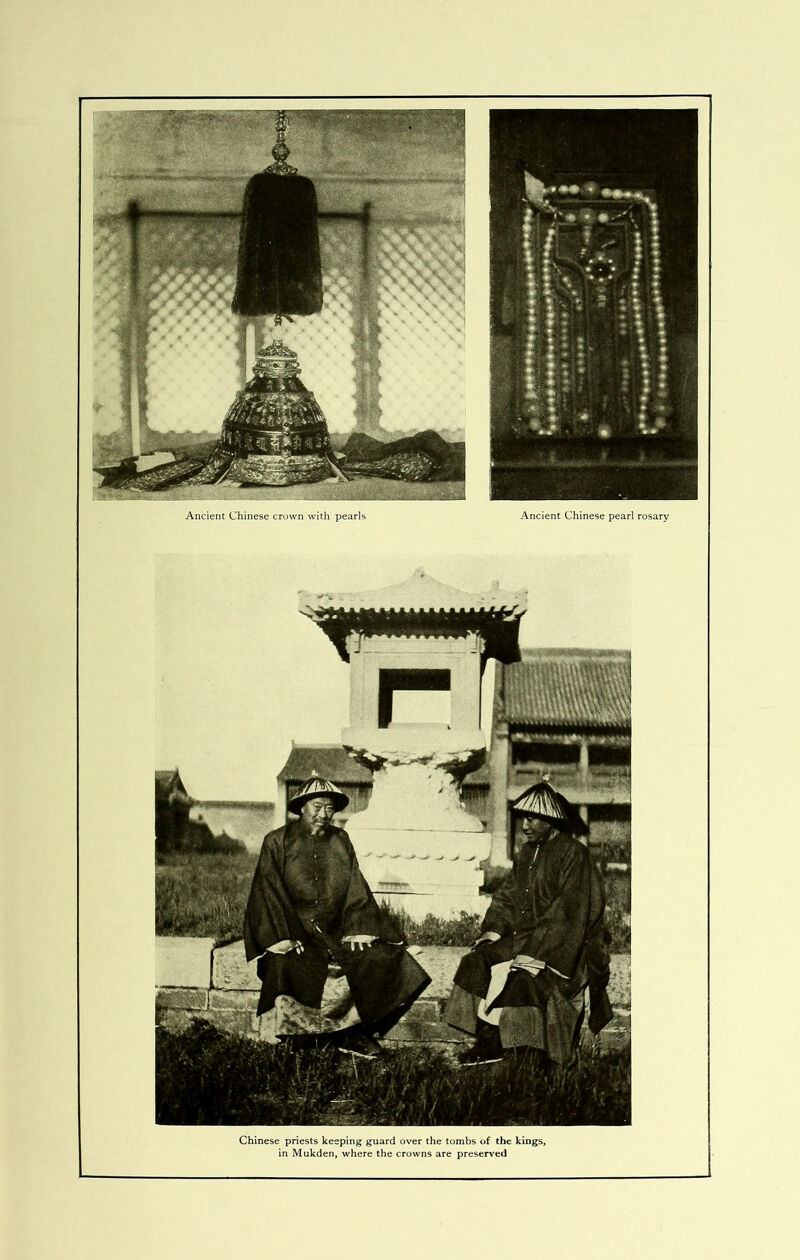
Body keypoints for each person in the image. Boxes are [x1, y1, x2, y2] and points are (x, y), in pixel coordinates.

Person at [244, 774, 431, 1056]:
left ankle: (355, 1032)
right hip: (296, 933)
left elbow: (357, 887)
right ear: (301, 808)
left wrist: (360, 926)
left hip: (337, 932)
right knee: (286, 964)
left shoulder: (341, 841)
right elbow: (266, 892)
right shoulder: (277, 842)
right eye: (317, 807)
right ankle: (299, 1038)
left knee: (382, 959)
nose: (323, 814)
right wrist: (279, 936)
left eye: (329, 808)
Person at [444, 780, 612, 1066]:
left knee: (523, 979)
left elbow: (568, 914)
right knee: (477, 961)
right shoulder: (526, 853)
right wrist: (494, 930)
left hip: (564, 948)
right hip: (523, 940)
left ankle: (522, 1053)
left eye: (531, 818)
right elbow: (508, 897)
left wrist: (534, 954)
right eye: (524, 818)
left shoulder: (575, 855)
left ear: (550, 820)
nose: (524, 825)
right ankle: (487, 1041)